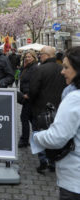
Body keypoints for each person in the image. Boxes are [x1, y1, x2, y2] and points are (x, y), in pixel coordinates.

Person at [34, 47, 80, 200]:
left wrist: (37, 137)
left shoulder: (75, 98)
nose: (62, 71)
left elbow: (56, 138)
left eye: (66, 67)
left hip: (74, 180)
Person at [29, 45, 66, 173]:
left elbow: (33, 89)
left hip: (41, 108)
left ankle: (43, 159)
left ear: (48, 55)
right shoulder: (63, 69)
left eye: (41, 54)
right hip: (58, 108)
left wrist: (32, 102)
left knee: (39, 133)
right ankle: (53, 161)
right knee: (54, 134)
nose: (40, 56)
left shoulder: (40, 69)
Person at [18, 50, 38, 148]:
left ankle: (24, 140)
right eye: (26, 56)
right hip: (26, 96)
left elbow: (34, 83)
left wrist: (28, 94)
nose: (27, 58)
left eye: (29, 57)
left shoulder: (34, 68)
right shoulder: (27, 67)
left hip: (29, 97)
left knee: (24, 117)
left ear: (34, 58)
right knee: (31, 119)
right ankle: (35, 138)